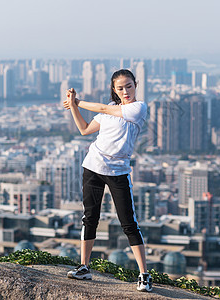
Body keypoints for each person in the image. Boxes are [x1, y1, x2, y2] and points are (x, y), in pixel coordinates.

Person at [62, 69, 152, 292]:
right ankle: (84, 267)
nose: (125, 91)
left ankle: (144, 275)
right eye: (120, 88)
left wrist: (78, 101)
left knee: (128, 223)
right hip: (93, 166)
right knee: (90, 217)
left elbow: (103, 107)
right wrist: (73, 106)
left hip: (119, 171)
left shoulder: (137, 108)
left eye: (128, 86)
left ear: (135, 85)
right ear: (114, 90)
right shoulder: (107, 114)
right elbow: (84, 130)